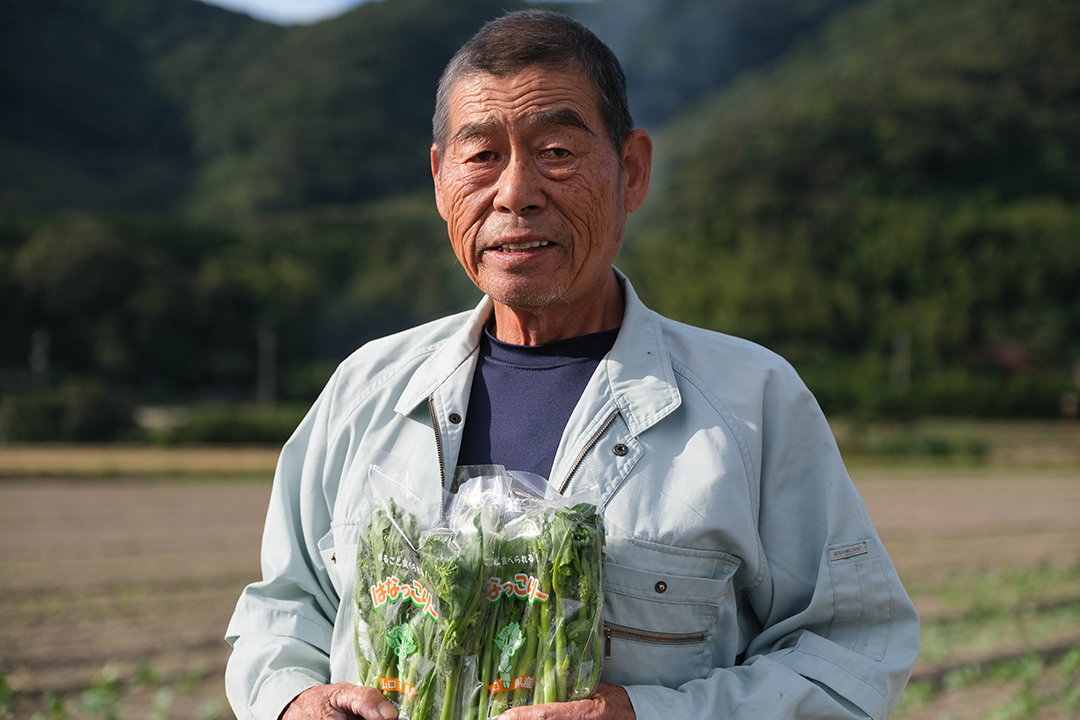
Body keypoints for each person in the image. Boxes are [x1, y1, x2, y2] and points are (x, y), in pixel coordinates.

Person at [225, 9, 920, 720]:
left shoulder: (752, 402)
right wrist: (291, 700)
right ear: (440, 180)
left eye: (556, 150)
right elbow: (283, 611)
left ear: (633, 172)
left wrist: (646, 716)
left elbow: (850, 657)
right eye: (482, 155)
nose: (516, 191)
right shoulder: (365, 391)